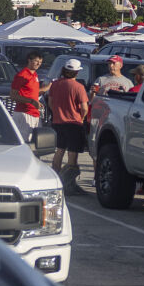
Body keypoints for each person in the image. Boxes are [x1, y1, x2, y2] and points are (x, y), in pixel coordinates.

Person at [46, 58, 90, 193]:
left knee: (59, 151)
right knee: (73, 154)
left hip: (58, 122)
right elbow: (84, 108)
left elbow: (50, 103)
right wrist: (82, 118)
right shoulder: (78, 87)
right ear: (76, 72)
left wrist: (57, 114)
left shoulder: (55, 84)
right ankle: (69, 183)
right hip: (74, 123)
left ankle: (55, 179)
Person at [12, 52, 45, 137]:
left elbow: (33, 92)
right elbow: (13, 95)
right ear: (29, 60)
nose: (38, 64)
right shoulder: (22, 75)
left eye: (40, 62)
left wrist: (49, 86)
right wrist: (31, 101)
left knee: (36, 142)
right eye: (36, 61)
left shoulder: (34, 74)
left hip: (34, 113)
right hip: (24, 113)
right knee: (26, 143)